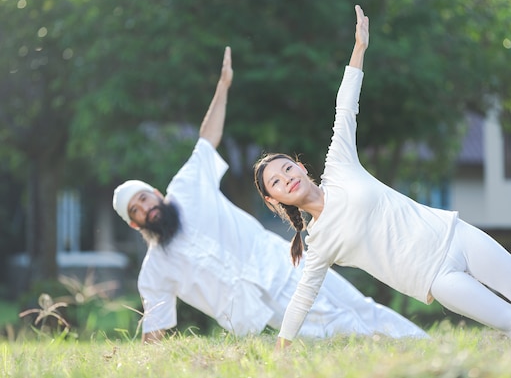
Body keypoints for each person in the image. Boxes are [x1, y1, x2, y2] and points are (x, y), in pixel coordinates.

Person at [254, 5, 511, 350]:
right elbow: (303, 296)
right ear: (275, 200)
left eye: (286, 169)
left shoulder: (340, 165)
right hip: (437, 279)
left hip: (455, 235)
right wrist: (282, 348)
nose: (287, 179)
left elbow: (345, 108)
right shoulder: (320, 243)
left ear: (300, 166)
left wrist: (359, 49)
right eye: (277, 183)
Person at [112, 46, 429, 344]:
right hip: (262, 306)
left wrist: (223, 86)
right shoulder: (154, 271)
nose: (145, 208)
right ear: (134, 224)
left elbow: (207, 138)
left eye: (143, 198)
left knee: (358, 305)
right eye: (136, 211)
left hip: (282, 262)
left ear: (154, 193)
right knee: (337, 325)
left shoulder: (186, 188)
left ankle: (422, 344)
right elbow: (155, 328)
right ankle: (396, 352)